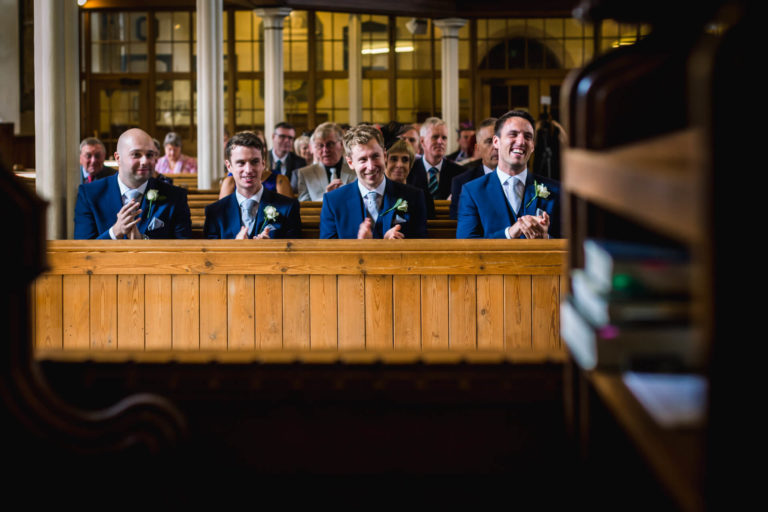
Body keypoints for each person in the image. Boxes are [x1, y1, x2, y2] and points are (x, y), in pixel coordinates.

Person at [456, 110, 561, 239]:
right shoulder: (472, 191)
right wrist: (509, 233)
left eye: (528, 137)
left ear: (532, 146)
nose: (521, 141)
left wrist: (547, 239)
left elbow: (573, 244)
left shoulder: (556, 190)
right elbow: (466, 246)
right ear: (496, 142)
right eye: (513, 134)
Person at [74, 128, 192, 240]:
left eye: (150, 155)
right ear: (118, 158)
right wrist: (114, 233)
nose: (145, 161)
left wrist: (144, 241)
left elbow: (184, 251)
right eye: (136, 154)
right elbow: (83, 252)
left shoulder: (175, 196)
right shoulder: (90, 194)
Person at [319, 124, 426, 239]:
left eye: (375, 156)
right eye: (363, 159)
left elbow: (422, 247)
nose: (371, 166)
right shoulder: (334, 201)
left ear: (384, 156)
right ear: (350, 163)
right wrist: (361, 246)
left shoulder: (413, 197)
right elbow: (329, 253)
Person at [204, 131, 301, 240]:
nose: (248, 170)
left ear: (263, 164)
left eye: (254, 162)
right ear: (229, 166)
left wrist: (273, 250)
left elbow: (295, 254)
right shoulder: (215, 212)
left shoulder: (287, 208)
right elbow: (211, 255)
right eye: (241, 163)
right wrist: (234, 247)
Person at [449, 117, 498, 220]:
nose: (496, 147)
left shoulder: (519, 178)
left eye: (498, 141)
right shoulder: (462, 182)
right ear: (478, 148)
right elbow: (458, 222)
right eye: (489, 141)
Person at [406, 117, 465, 201]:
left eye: (444, 138)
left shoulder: (459, 173)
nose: (440, 141)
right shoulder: (409, 171)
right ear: (422, 141)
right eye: (435, 137)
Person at [295, 122, 356, 201]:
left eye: (330, 144)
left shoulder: (355, 169)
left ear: (341, 144)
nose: (325, 150)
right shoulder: (305, 174)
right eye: (320, 145)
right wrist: (327, 197)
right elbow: (304, 206)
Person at [385, 138, 435, 219]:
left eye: (405, 160)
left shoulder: (423, 196)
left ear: (410, 165)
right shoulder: (376, 195)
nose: (399, 164)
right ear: (384, 162)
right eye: (394, 159)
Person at [268, 122, 307, 192]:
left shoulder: (300, 163)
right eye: (282, 137)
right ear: (273, 137)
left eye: (290, 138)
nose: (287, 141)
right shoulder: (262, 158)